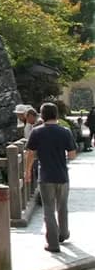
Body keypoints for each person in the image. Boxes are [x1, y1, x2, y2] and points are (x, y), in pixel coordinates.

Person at [25, 102, 77, 252]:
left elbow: (30, 153)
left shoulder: (37, 132)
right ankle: (63, 233)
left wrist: (27, 171)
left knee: (48, 209)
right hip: (62, 175)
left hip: (46, 175)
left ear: (42, 115)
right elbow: (72, 155)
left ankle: (53, 244)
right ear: (57, 115)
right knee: (62, 206)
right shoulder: (65, 131)